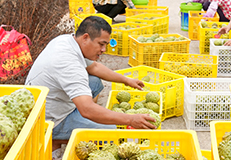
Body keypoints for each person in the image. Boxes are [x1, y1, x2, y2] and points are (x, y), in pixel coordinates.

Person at [26, 16, 156, 140]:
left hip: (53, 101)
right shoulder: (68, 63)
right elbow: (87, 109)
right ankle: (56, 139)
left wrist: (127, 80)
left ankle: (80, 115)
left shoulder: (67, 40)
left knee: (94, 82)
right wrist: (130, 119)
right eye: (101, 44)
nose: (104, 49)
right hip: (49, 120)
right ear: (86, 38)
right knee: (110, 130)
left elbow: (95, 68)